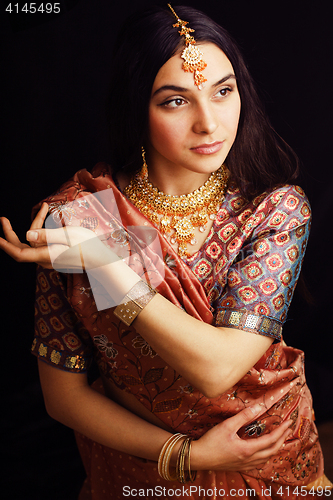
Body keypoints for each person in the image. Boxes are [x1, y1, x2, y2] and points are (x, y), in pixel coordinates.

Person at [0, 4, 332, 499]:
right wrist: (188, 455)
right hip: (138, 472)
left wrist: (105, 263)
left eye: (222, 91)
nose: (208, 123)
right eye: (176, 102)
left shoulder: (274, 210)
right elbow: (63, 396)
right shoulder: (79, 215)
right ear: (136, 107)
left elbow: (218, 369)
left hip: (268, 461)